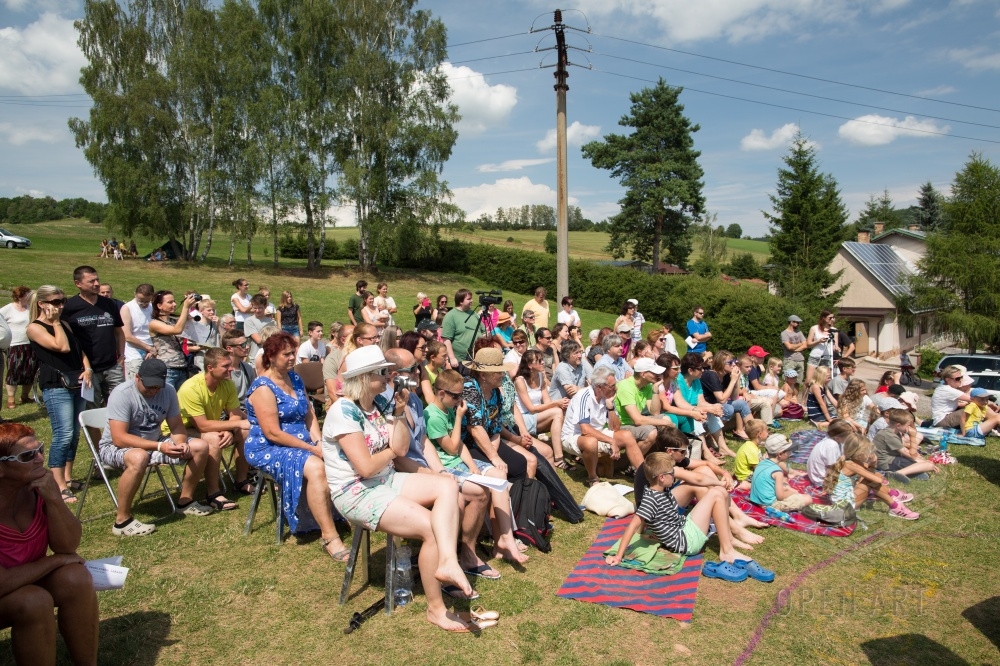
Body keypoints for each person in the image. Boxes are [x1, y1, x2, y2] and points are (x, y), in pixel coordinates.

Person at [323, 346, 477, 631]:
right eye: (382, 372)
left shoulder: (378, 405)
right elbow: (365, 467)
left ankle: (447, 561)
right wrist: (392, 450)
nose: (388, 376)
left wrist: (398, 412)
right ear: (365, 377)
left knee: (447, 484)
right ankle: (436, 609)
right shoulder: (343, 411)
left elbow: (403, 447)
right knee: (430, 527)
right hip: (357, 491)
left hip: (385, 478)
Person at [0, 423, 99, 666]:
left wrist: (54, 499)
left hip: (24, 581)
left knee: (76, 578)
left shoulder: (38, 488)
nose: (40, 459)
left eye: (40, 450)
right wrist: (56, 561)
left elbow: (68, 545)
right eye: (27, 456)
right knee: (33, 601)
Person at [245, 333, 348, 558]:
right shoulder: (263, 388)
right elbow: (273, 433)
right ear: (271, 357)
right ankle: (330, 536)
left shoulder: (294, 377)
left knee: (340, 454)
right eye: (286, 354)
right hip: (269, 447)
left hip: (301, 441)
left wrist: (319, 442)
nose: (292, 358)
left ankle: (346, 512)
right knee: (316, 466)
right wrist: (311, 449)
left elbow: (309, 414)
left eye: (293, 353)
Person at [98, 358, 214, 535]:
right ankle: (122, 521)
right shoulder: (122, 393)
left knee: (200, 446)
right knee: (139, 456)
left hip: (154, 442)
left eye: (157, 386)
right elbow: (119, 438)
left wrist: (181, 443)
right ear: (137, 377)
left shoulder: (168, 391)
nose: (153, 391)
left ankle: (185, 501)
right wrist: (160, 446)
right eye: (149, 386)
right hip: (114, 447)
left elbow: (176, 426)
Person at [426, 368, 527, 566]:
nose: (460, 400)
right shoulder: (434, 416)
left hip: (460, 462)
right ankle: (493, 541)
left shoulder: (449, 408)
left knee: (500, 475)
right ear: (442, 393)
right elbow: (453, 447)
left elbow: (461, 445)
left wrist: (473, 465)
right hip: (447, 467)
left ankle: (505, 537)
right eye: (456, 396)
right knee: (486, 487)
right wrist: (458, 418)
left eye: (461, 395)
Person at [605, 452, 757, 570]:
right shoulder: (650, 500)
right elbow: (632, 526)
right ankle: (727, 550)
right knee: (717, 494)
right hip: (686, 541)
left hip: (684, 528)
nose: (675, 475)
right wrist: (618, 556)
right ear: (662, 478)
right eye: (672, 473)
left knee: (719, 491)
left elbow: (646, 520)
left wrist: (719, 483)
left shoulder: (657, 490)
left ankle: (728, 540)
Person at [632, 429, 765, 549]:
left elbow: (706, 464)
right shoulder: (661, 465)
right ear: (670, 451)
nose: (686, 454)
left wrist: (724, 473)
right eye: (683, 451)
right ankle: (733, 530)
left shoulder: (666, 458)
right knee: (699, 488)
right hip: (655, 509)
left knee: (704, 470)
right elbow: (698, 479)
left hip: (661, 500)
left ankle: (738, 516)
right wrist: (720, 484)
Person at [26, 287, 92, 503]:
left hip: (77, 382)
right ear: (42, 304)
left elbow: (78, 350)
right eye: (55, 302)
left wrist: (88, 368)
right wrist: (55, 323)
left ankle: (68, 477)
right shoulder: (35, 328)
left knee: (74, 434)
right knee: (63, 434)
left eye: (63, 301)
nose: (61, 306)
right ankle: (58, 484)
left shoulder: (64, 324)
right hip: (56, 385)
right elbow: (61, 347)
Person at [172, 347, 249, 509]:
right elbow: (202, 425)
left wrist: (229, 429)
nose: (231, 369)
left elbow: (235, 414)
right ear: (210, 368)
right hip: (181, 431)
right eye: (225, 366)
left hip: (210, 427)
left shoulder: (227, 383)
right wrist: (233, 425)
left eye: (230, 364)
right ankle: (213, 493)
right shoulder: (191, 388)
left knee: (245, 430)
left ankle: (241, 481)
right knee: (213, 438)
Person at [562, 366, 639, 487]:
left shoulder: (606, 397)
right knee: (591, 442)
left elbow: (616, 428)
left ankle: (644, 475)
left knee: (627, 435)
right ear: (599, 387)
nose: (616, 388)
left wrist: (610, 407)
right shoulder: (583, 396)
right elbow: (585, 430)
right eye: (612, 386)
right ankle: (593, 478)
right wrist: (611, 441)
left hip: (597, 433)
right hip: (573, 436)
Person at [62, 265, 125, 407]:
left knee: (120, 406)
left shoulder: (109, 304)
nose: (96, 284)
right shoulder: (69, 307)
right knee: (92, 408)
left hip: (112, 366)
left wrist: (121, 356)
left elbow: (119, 332)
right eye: (91, 281)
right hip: (87, 369)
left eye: (97, 280)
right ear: (78, 283)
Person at [823, 432, 918, 520]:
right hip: (844, 507)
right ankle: (894, 505)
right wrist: (876, 470)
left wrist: (873, 465)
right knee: (870, 481)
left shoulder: (851, 462)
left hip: (843, 502)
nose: (869, 455)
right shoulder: (851, 465)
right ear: (860, 454)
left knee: (871, 478)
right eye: (868, 452)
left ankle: (893, 498)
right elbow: (877, 480)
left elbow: (870, 472)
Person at [513, 351, 568, 466]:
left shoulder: (541, 376)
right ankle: (559, 457)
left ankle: (569, 450)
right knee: (557, 412)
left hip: (537, 416)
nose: (543, 362)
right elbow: (531, 408)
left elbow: (547, 402)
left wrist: (559, 404)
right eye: (539, 361)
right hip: (523, 419)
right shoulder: (520, 381)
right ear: (530, 365)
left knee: (562, 412)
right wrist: (556, 403)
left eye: (542, 359)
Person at [614, 357, 670, 468]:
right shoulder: (626, 387)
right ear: (643, 374)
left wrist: (655, 390)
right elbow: (637, 420)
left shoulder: (648, 386)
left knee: (666, 419)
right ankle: (631, 464)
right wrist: (665, 423)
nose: (658, 375)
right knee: (651, 432)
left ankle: (657, 460)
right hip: (621, 425)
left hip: (633, 423)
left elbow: (655, 412)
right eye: (654, 373)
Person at [701, 351, 750, 454]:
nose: (734, 364)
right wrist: (733, 381)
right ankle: (711, 434)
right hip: (707, 406)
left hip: (717, 404)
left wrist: (736, 380)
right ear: (721, 363)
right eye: (730, 362)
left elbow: (734, 397)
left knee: (742, 404)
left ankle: (755, 432)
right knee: (728, 409)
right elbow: (722, 399)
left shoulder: (726, 375)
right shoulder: (711, 375)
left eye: (734, 361)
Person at [148, 290, 198, 392]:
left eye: (174, 301)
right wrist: (185, 307)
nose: (174, 304)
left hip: (182, 367)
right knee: (167, 398)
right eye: (170, 302)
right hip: (167, 369)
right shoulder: (154, 323)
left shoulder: (174, 320)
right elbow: (176, 330)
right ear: (159, 306)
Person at [749, 434, 813, 512]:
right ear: (780, 454)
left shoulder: (762, 462)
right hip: (769, 504)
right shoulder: (777, 472)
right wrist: (792, 493)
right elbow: (780, 497)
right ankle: (773, 510)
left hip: (756, 499)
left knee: (784, 485)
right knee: (808, 498)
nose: (790, 453)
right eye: (788, 451)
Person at [872, 409, 937, 481]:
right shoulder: (889, 435)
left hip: (888, 460)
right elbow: (911, 454)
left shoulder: (891, 432)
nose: (909, 428)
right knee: (929, 465)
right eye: (908, 425)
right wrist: (912, 436)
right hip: (886, 463)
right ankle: (896, 474)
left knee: (922, 464)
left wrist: (921, 460)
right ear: (898, 425)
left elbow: (907, 453)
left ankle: (911, 472)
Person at [1, 287, 37, 411]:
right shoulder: (8, 309)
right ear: (20, 296)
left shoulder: (30, 308)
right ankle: (11, 399)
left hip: (30, 343)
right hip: (15, 345)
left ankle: (25, 396)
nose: (29, 297)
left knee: (30, 370)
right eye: (27, 295)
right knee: (14, 371)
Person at [805, 418, 855, 487]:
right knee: (854, 469)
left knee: (852, 465)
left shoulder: (831, 439)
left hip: (818, 474)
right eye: (848, 437)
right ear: (837, 438)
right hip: (820, 480)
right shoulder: (832, 446)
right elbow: (832, 467)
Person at [442, 289, 481, 367]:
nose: (472, 301)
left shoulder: (474, 314)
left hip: (477, 359)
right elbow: (446, 339)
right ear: (460, 301)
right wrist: (452, 358)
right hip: (460, 361)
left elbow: (483, 331)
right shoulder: (451, 316)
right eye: (469, 299)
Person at [222, 330, 256, 408]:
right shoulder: (223, 371)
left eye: (247, 343)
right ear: (229, 348)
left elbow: (254, 393)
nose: (247, 347)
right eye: (242, 345)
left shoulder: (247, 367)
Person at [733, 418, 768, 491]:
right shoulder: (751, 449)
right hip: (746, 477)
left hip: (744, 474)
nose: (768, 433)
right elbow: (759, 469)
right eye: (767, 430)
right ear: (759, 434)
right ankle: (749, 485)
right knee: (770, 480)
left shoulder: (751, 445)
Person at [805, 310, 838, 385]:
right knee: (809, 380)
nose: (832, 319)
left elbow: (835, 345)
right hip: (815, 356)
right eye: (830, 318)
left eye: (833, 317)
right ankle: (806, 392)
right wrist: (818, 341)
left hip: (827, 358)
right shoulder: (814, 328)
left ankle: (822, 392)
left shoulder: (834, 330)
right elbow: (808, 344)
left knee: (825, 381)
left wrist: (836, 348)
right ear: (824, 318)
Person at [243, 294, 275, 360]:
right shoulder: (249, 321)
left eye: (260, 308)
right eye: (255, 308)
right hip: (256, 357)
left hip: (271, 356)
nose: (257, 310)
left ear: (265, 306)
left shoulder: (272, 322)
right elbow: (259, 340)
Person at [780, 315, 807, 380]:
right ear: (791, 322)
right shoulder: (784, 333)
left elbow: (805, 345)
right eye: (797, 322)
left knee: (798, 381)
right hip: (789, 360)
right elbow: (789, 347)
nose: (798, 324)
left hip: (800, 359)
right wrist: (800, 344)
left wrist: (794, 349)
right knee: (787, 380)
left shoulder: (799, 332)